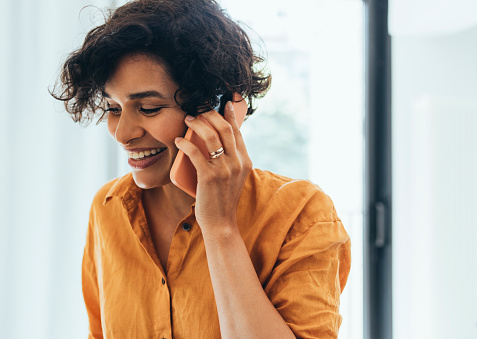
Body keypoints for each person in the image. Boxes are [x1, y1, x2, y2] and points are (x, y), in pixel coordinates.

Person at [52, 0, 351, 338]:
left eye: (149, 108)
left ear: (222, 110)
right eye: (113, 107)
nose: (122, 134)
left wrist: (220, 228)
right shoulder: (108, 207)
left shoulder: (301, 215)